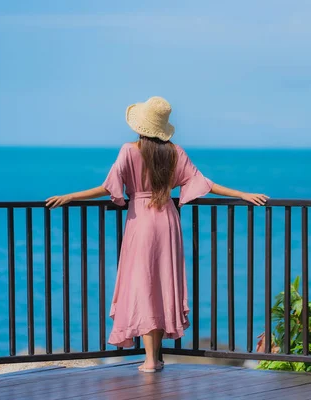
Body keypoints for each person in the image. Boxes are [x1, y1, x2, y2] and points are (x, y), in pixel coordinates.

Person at [46, 96, 268, 372]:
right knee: (162, 286)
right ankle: (156, 357)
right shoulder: (174, 152)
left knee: (143, 286)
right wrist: (243, 194)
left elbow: (108, 187)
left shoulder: (129, 150)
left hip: (140, 222)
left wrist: (70, 196)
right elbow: (205, 183)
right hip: (167, 222)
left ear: (140, 127)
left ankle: (150, 360)